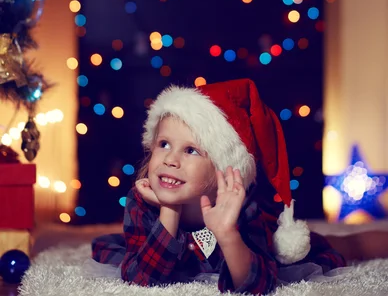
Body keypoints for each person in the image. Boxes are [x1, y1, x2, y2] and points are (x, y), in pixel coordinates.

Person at [87, 79, 350, 294]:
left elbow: (257, 285)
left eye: (190, 150)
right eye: (164, 144)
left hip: (257, 239)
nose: (169, 159)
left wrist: (226, 233)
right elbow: (142, 279)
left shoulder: (243, 209)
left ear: (222, 171)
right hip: (162, 245)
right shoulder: (141, 201)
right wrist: (169, 208)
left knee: (338, 247)